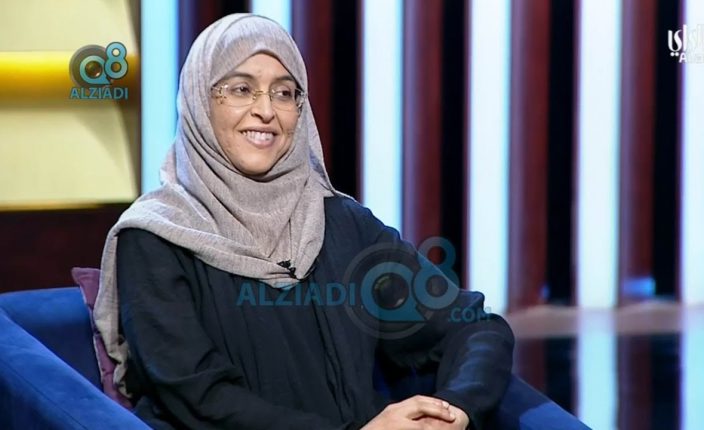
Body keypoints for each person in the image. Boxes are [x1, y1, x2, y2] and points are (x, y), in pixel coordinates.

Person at [93, 13, 514, 430]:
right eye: (241, 89)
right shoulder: (154, 238)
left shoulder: (342, 222)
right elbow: (200, 397)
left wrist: (452, 411)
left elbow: (474, 326)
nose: (265, 111)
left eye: (284, 92)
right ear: (200, 101)